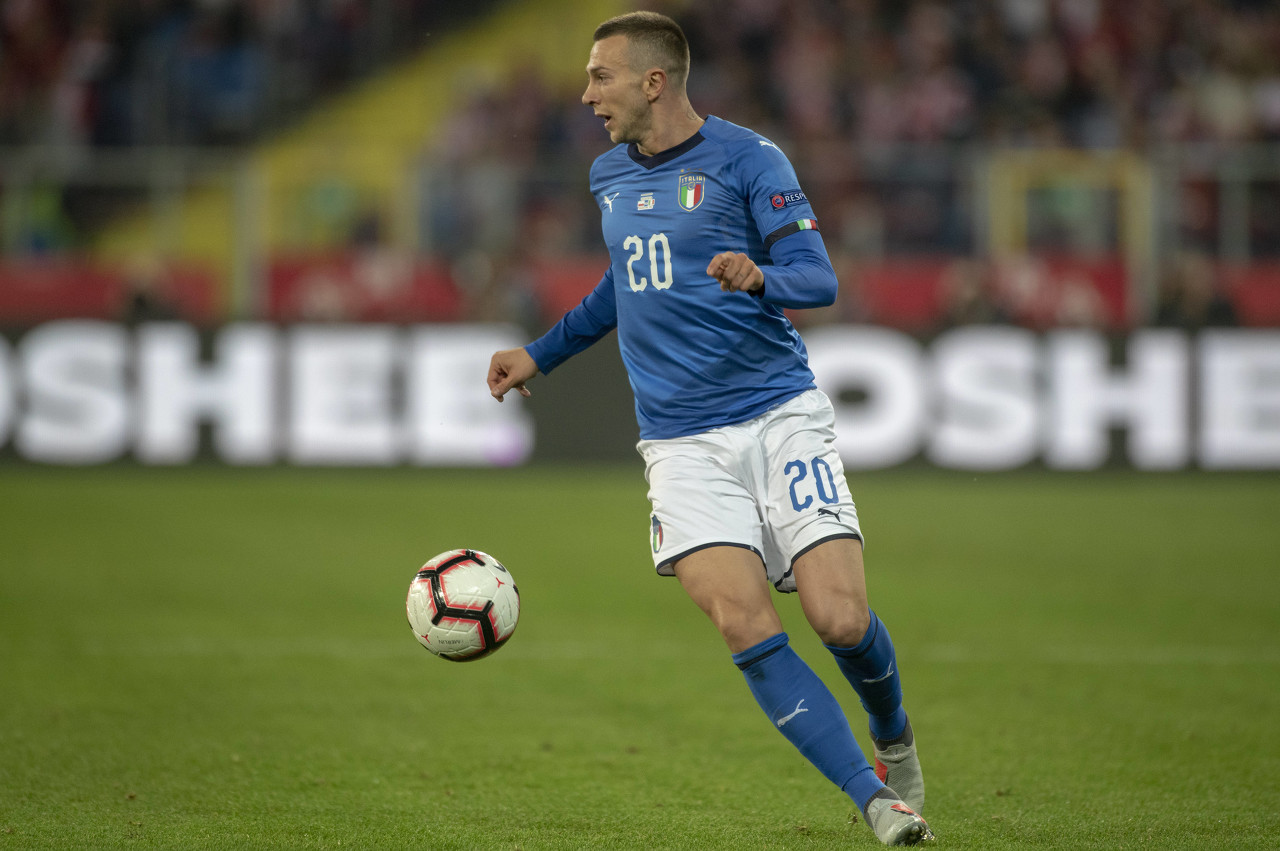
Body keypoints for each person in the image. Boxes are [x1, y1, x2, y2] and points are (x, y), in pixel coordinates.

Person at [487, 11, 932, 846]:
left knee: (840, 620)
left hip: (777, 415)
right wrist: (541, 353)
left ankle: (894, 735)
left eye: (600, 77)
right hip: (680, 443)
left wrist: (761, 276)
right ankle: (876, 800)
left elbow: (818, 278)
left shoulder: (749, 159)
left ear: (653, 81)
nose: (586, 95)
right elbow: (625, 281)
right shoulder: (608, 174)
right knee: (743, 622)